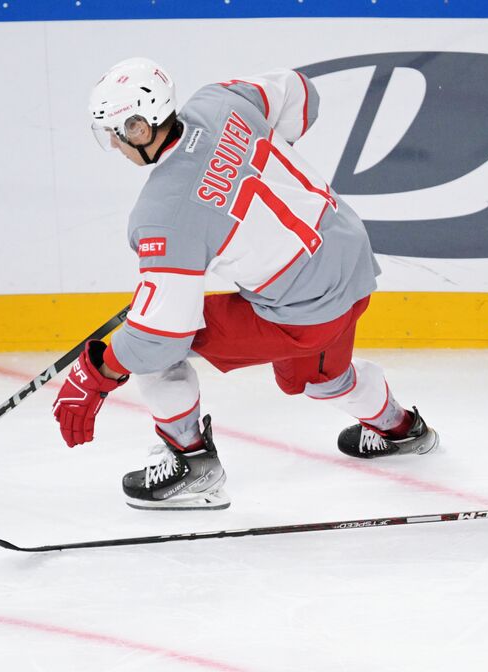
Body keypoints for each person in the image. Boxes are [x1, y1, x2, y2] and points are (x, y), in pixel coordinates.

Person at [52, 57, 438, 511]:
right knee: (319, 378)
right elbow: (301, 93)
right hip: (350, 264)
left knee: (152, 353)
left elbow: (160, 335)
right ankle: (401, 429)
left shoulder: (163, 214)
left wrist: (97, 371)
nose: (116, 146)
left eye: (118, 133)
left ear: (140, 127)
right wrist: (246, 164)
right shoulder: (220, 102)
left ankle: (190, 463)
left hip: (304, 311)